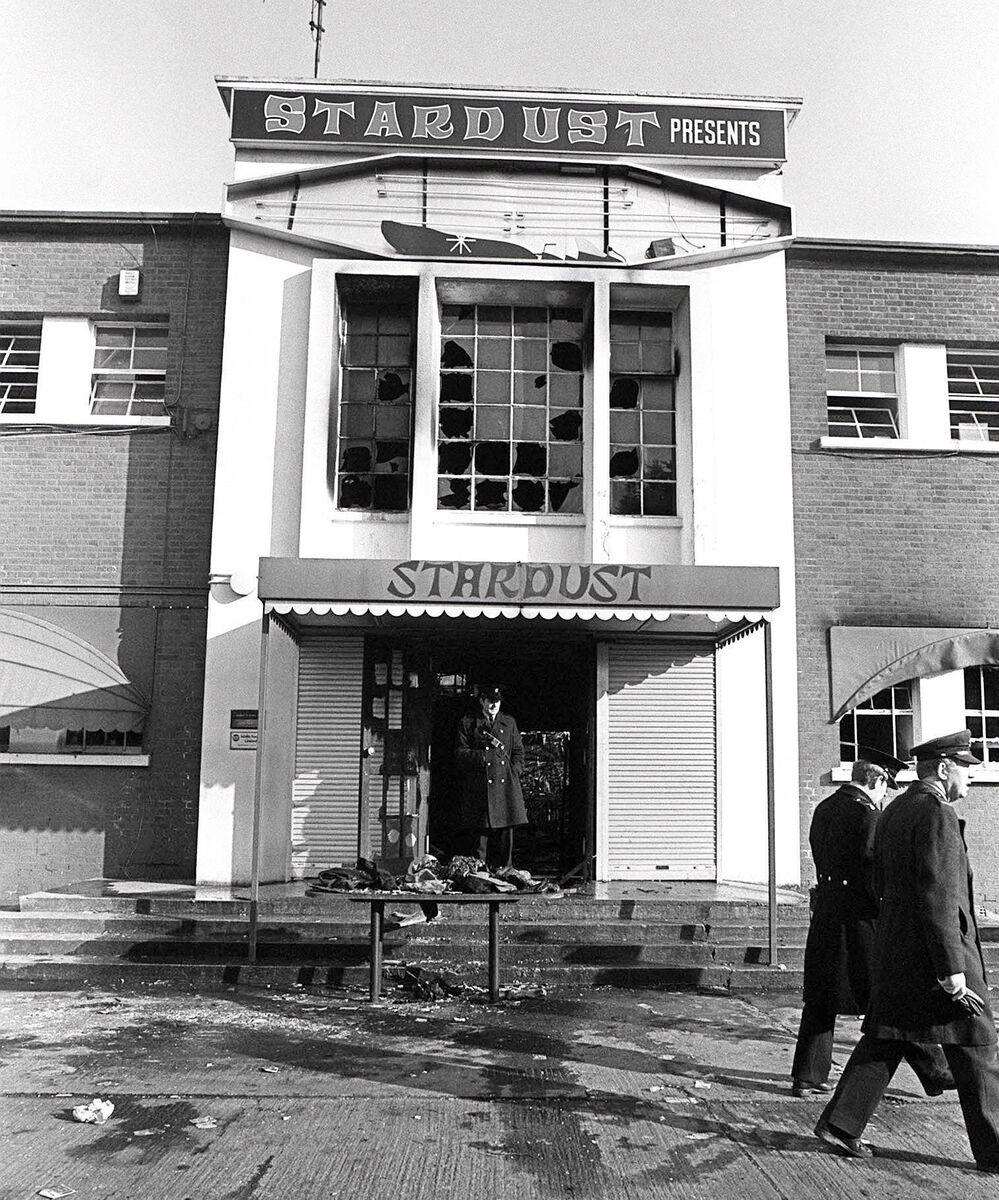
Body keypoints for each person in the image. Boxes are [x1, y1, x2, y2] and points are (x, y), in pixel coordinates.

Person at [814, 730, 999, 1172]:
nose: (971, 777)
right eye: (966, 768)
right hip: (938, 955)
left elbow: (880, 884)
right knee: (978, 1044)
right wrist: (952, 969)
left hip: (900, 951)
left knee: (888, 1036)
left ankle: (841, 1124)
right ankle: (995, 1149)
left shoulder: (895, 809)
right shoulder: (935, 813)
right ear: (941, 768)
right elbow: (938, 895)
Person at [791, 747, 953, 1098]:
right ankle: (936, 1071)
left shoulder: (824, 808)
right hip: (862, 921)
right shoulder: (868, 816)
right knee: (891, 998)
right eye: (886, 786)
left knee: (822, 997)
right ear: (876, 779)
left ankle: (807, 1074)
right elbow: (872, 871)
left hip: (827, 915)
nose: (885, 795)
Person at [454, 684, 527, 867]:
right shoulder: (468, 723)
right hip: (480, 788)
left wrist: (514, 772)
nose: (494, 705)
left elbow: (518, 751)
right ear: (482, 702)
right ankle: (480, 879)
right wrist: (484, 757)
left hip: (505, 789)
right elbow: (460, 753)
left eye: (497, 702)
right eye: (490, 701)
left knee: (505, 841)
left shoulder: (509, 723)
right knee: (480, 843)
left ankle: (506, 877)